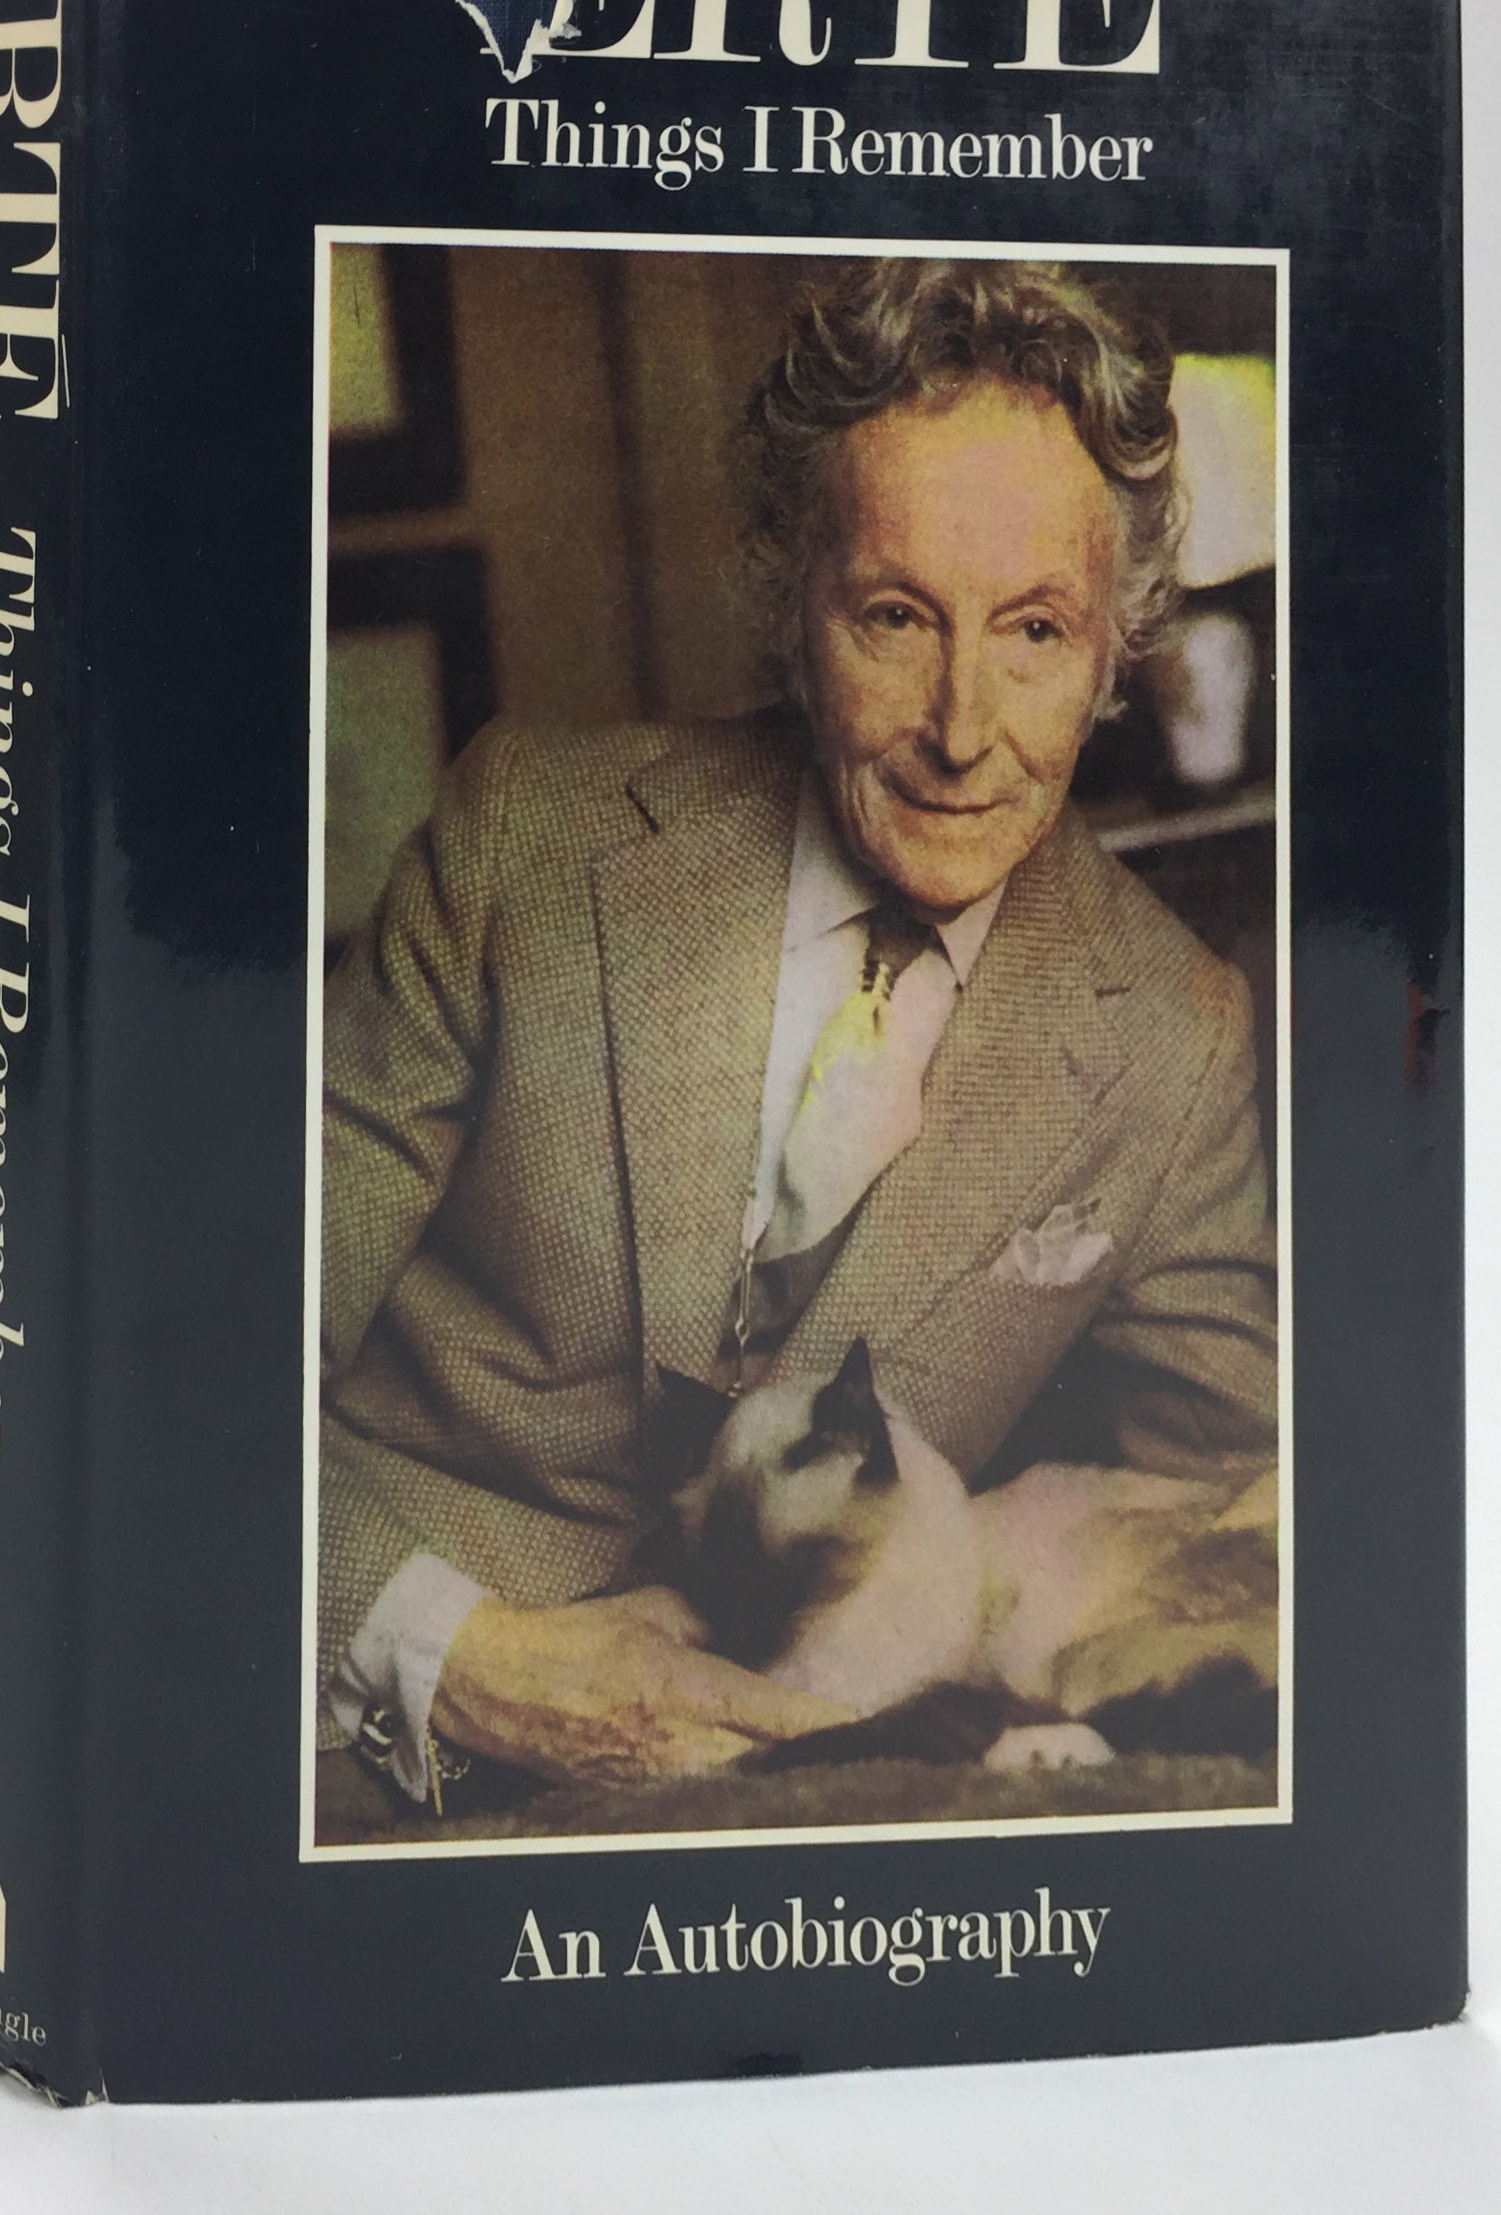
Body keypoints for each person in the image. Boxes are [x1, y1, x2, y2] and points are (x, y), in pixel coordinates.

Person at [316, 258, 1277, 1809]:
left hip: (813, 1813)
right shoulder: (529, 842)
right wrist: (448, 1653)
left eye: (1036, 630)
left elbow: (1245, 1509)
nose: (963, 730)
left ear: (1118, 645)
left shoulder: (1177, 1034)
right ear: (792, 600)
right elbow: (198, 1347)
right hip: (362, 1753)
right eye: (895, 615)